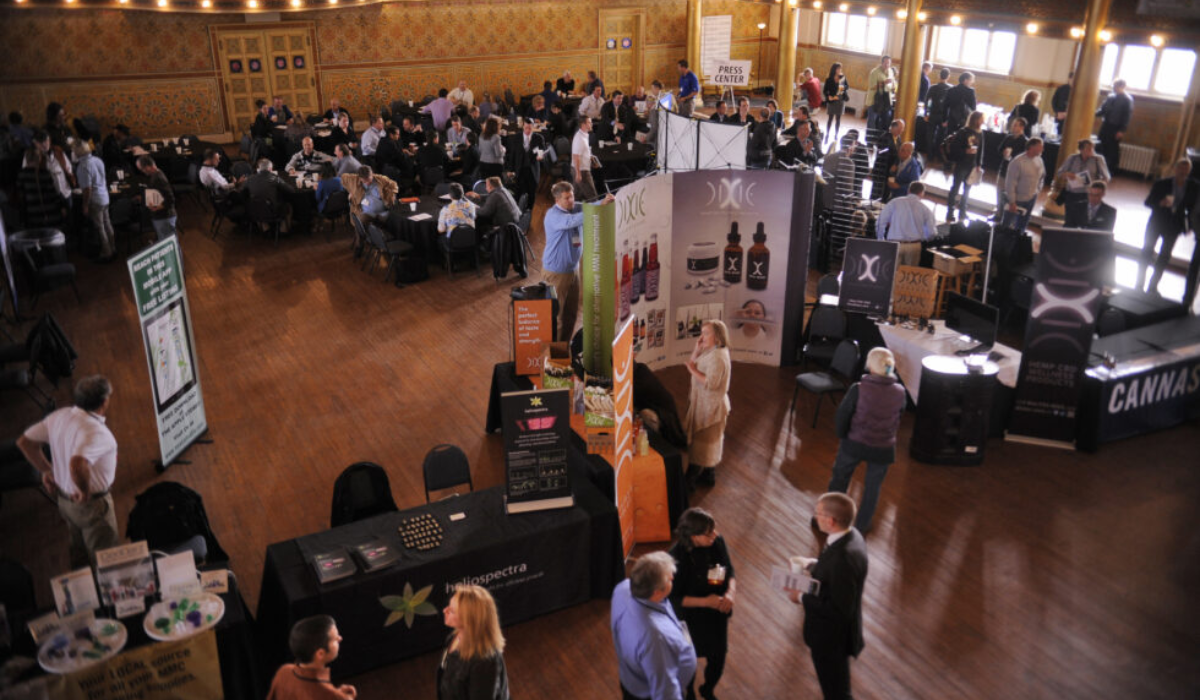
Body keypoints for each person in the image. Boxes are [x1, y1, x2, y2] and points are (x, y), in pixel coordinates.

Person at [17, 376, 119, 569]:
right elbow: (77, 464)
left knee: (79, 552)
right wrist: (85, 490)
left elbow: (25, 442)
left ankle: (85, 589)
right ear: (104, 402)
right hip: (91, 505)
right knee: (107, 561)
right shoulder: (97, 433)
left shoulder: (60, 416)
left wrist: (47, 470)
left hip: (65, 501)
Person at [787, 493, 868, 700]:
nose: (815, 516)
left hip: (831, 638)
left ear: (831, 521)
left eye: (819, 513)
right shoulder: (853, 536)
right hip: (835, 635)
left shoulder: (844, 559)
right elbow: (833, 573)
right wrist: (812, 564)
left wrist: (801, 598)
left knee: (836, 692)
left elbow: (839, 610)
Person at [826, 348, 906, 532]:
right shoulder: (900, 392)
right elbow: (898, 416)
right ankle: (861, 527)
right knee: (873, 488)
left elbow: (843, 415)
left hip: (854, 443)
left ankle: (831, 518)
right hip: (883, 448)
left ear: (870, 366)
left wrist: (842, 435)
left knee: (839, 479)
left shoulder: (858, 389)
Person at [667, 508, 736, 700]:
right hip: (690, 619)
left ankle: (708, 689)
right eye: (708, 533)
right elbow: (673, 599)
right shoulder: (675, 559)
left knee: (718, 656)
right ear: (693, 536)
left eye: (714, 530)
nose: (714, 535)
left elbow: (729, 571)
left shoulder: (717, 542)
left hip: (716, 614)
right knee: (688, 661)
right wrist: (706, 602)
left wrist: (730, 593)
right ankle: (688, 694)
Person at [611, 551, 697, 700]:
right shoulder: (655, 638)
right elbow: (665, 692)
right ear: (656, 592)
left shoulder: (623, 588)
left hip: (631, 680)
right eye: (670, 579)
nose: (673, 578)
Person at [542, 181, 615, 340]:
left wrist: (604, 201)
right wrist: (600, 207)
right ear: (557, 200)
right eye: (566, 198)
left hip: (572, 271)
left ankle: (564, 350)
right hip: (556, 273)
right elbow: (573, 221)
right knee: (557, 316)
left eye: (572, 196)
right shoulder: (553, 215)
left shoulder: (574, 206)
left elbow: (590, 206)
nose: (571, 200)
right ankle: (556, 358)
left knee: (571, 315)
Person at [438, 585, 510, 700]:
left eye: (451, 611)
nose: (444, 610)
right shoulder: (453, 637)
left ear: (468, 620)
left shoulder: (484, 661)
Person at [1140, 158, 1198, 300]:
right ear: (1175, 169)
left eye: (1186, 170)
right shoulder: (1162, 183)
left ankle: (1153, 286)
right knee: (1147, 252)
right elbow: (1147, 202)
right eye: (1181, 169)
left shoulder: (1194, 187)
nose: (1183, 172)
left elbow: (1193, 209)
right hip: (1156, 223)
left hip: (1174, 226)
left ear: (1189, 171)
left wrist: (1189, 226)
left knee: (1164, 257)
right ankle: (1139, 284)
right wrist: (1160, 203)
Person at [683, 320, 731, 488]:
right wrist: (696, 350)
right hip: (704, 404)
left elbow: (711, 383)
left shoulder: (718, 357)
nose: (702, 337)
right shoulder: (712, 350)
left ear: (717, 337)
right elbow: (693, 362)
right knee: (708, 444)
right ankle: (708, 476)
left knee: (701, 447)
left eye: (706, 333)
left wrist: (692, 370)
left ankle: (689, 482)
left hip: (711, 408)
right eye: (702, 332)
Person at [266, 615, 357, 700]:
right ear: (320, 654)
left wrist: (335, 692)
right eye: (335, 638)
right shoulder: (331, 695)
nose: (340, 638)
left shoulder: (283, 671)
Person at [74, 141, 116, 262]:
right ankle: (113, 248)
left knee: (99, 227)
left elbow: (87, 189)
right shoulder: (98, 160)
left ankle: (106, 253)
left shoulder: (83, 166)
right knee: (107, 223)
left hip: (95, 199)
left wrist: (85, 205)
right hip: (105, 196)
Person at [876, 182, 937, 266]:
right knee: (909, 276)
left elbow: (880, 222)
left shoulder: (894, 202)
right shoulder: (926, 209)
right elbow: (931, 233)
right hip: (914, 246)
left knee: (892, 275)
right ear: (922, 193)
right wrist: (924, 238)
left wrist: (881, 239)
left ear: (908, 191)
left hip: (894, 244)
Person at [944, 111, 984, 223]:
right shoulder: (963, 132)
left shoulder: (980, 133)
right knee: (955, 188)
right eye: (981, 119)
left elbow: (981, 150)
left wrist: (979, 164)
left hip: (972, 166)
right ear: (975, 120)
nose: (982, 121)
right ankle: (950, 212)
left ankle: (962, 212)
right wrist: (965, 151)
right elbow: (954, 148)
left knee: (967, 190)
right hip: (962, 164)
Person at [1002, 137, 1045, 234]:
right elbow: (1010, 183)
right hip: (1018, 199)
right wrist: (1012, 202)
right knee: (1007, 224)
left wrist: (1037, 190)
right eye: (1040, 147)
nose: (1043, 149)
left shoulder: (1039, 160)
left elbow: (1042, 177)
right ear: (1032, 147)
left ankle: (1017, 242)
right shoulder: (1017, 162)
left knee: (1022, 225)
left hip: (1031, 198)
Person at [17, 148, 65, 228]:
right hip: (50, 212)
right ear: (39, 158)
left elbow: (21, 195)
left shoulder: (22, 174)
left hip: (33, 213)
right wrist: (61, 206)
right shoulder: (45, 173)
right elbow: (53, 193)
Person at [1096, 79, 1133, 177]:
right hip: (1106, 125)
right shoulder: (1110, 96)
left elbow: (1127, 116)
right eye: (1113, 86)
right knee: (1100, 146)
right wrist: (1093, 113)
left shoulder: (1127, 99)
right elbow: (1103, 109)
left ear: (1122, 87)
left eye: (1116, 86)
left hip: (1116, 128)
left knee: (1112, 150)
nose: (1114, 88)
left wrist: (1121, 130)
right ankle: (1099, 168)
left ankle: (1109, 171)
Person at [1056, 139, 1110, 207]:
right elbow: (1059, 173)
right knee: (1070, 213)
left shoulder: (1098, 159)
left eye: (1092, 148)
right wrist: (1067, 174)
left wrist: (1097, 188)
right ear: (1081, 150)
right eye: (1088, 149)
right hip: (1071, 192)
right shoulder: (1072, 158)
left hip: (1088, 194)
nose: (1091, 151)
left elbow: (1106, 177)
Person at [504, 119, 545, 207]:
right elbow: (512, 155)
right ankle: (517, 211)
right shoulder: (516, 137)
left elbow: (541, 151)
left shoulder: (539, 138)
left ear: (533, 127)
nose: (527, 131)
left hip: (532, 170)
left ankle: (529, 211)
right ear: (523, 127)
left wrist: (540, 156)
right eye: (526, 128)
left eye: (530, 128)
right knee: (518, 192)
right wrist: (510, 170)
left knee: (532, 193)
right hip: (520, 169)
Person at [137, 154, 177, 240]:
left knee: (169, 245)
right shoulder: (156, 174)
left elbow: (171, 200)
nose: (143, 172)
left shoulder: (158, 178)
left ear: (147, 167)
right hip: (162, 217)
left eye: (142, 169)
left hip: (165, 217)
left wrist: (158, 207)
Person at [994, 117, 1029, 219]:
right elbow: (999, 149)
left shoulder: (1025, 142)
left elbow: (1024, 158)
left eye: (1015, 125)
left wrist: (1013, 156)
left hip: (1014, 173)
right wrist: (1003, 152)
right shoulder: (1008, 138)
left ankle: (1007, 217)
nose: (1012, 127)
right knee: (999, 192)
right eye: (1013, 124)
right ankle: (998, 213)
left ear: (1021, 127)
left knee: (1010, 196)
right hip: (1003, 169)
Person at [866, 55, 896, 137]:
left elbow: (893, 83)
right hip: (875, 101)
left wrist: (893, 87)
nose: (887, 65)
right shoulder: (875, 72)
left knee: (885, 122)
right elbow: (872, 86)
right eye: (885, 63)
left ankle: (881, 141)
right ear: (882, 63)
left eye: (889, 63)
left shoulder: (890, 71)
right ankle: (870, 141)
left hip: (886, 101)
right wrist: (884, 83)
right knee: (872, 122)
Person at [924, 68, 952, 158]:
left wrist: (926, 113)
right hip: (944, 116)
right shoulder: (951, 89)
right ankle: (938, 154)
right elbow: (951, 105)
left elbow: (927, 101)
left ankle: (930, 154)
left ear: (939, 76)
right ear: (949, 77)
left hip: (933, 114)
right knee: (941, 136)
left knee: (930, 135)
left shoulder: (933, 87)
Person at [572, 116, 598, 201]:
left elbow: (584, 152)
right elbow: (576, 156)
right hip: (582, 171)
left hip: (580, 169)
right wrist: (578, 173)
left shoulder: (584, 135)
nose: (591, 124)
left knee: (576, 196)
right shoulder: (580, 138)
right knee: (593, 197)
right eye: (589, 122)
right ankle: (597, 213)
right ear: (583, 124)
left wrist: (591, 160)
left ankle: (570, 212)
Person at [942, 71, 977, 137]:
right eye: (971, 80)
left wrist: (944, 120)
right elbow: (973, 108)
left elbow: (945, 106)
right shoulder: (970, 92)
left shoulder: (951, 90)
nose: (973, 82)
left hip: (951, 120)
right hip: (964, 121)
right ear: (965, 80)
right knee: (961, 139)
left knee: (950, 139)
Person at [823, 63, 849, 145]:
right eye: (838, 69)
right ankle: (827, 134)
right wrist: (828, 96)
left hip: (840, 100)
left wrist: (841, 87)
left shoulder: (842, 77)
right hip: (832, 100)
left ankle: (836, 134)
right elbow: (825, 91)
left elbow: (847, 87)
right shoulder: (829, 79)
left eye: (840, 69)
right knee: (830, 118)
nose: (839, 70)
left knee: (838, 118)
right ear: (834, 69)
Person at [1051, 72, 1072, 137]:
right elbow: (1054, 101)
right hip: (1059, 116)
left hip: (1071, 118)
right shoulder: (1061, 88)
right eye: (1072, 79)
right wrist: (1058, 112)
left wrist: (1067, 113)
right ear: (1069, 79)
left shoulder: (1079, 90)